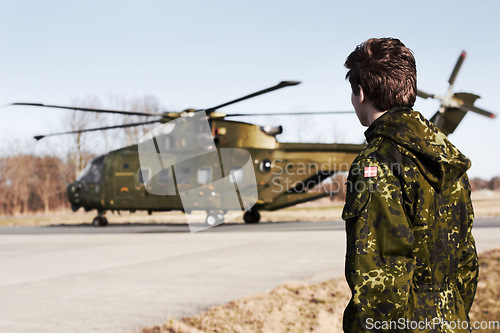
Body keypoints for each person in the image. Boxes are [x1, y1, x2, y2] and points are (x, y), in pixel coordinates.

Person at [341, 38, 479, 332]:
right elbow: (467, 262)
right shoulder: (448, 158)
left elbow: (377, 281)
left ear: (361, 92)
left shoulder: (375, 164)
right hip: (454, 321)